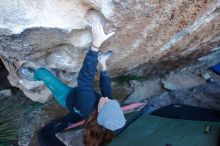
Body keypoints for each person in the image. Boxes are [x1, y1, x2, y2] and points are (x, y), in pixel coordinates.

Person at [17, 21, 126, 146]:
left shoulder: (87, 104)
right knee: (82, 104)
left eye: (106, 102)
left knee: (43, 73)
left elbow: (85, 79)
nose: (107, 98)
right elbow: (107, 90)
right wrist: (103, 66)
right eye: (112, 103)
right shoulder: (107, 107)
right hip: (77, 103)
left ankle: (32, 76)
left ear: (100, 111)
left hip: (66, 98)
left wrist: (95, 46)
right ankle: (75, 108)